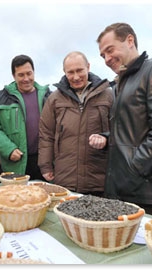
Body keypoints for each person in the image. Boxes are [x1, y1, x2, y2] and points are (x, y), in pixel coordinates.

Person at [96, 22, 152, 217]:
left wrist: (136, 166)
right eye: (103, 55)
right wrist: (107, 137)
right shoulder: (122, 83)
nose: (106, 58)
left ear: (130, 40)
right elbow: (132, 130)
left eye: (110, 50)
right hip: (120, 190)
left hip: (147, 193)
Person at [38, 51, 113, 196]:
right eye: (70, 72)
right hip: (66, 179)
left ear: (88, 67)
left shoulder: (108, 95)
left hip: (99, 179)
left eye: (80, 70)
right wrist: (45, 166)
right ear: (64, 72)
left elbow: (119, 130)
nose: (76, 77)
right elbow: (46, 134)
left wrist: (106, 138)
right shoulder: (54, 99)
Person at [0, 54, 51, 180]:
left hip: (45, 165)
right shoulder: (0, 98)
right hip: (15, 164)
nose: (26, 79)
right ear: (13, 76)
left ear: (34, 72)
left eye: (29, 74)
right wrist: (8, 149)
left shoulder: (48, 96)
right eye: (21, 75)